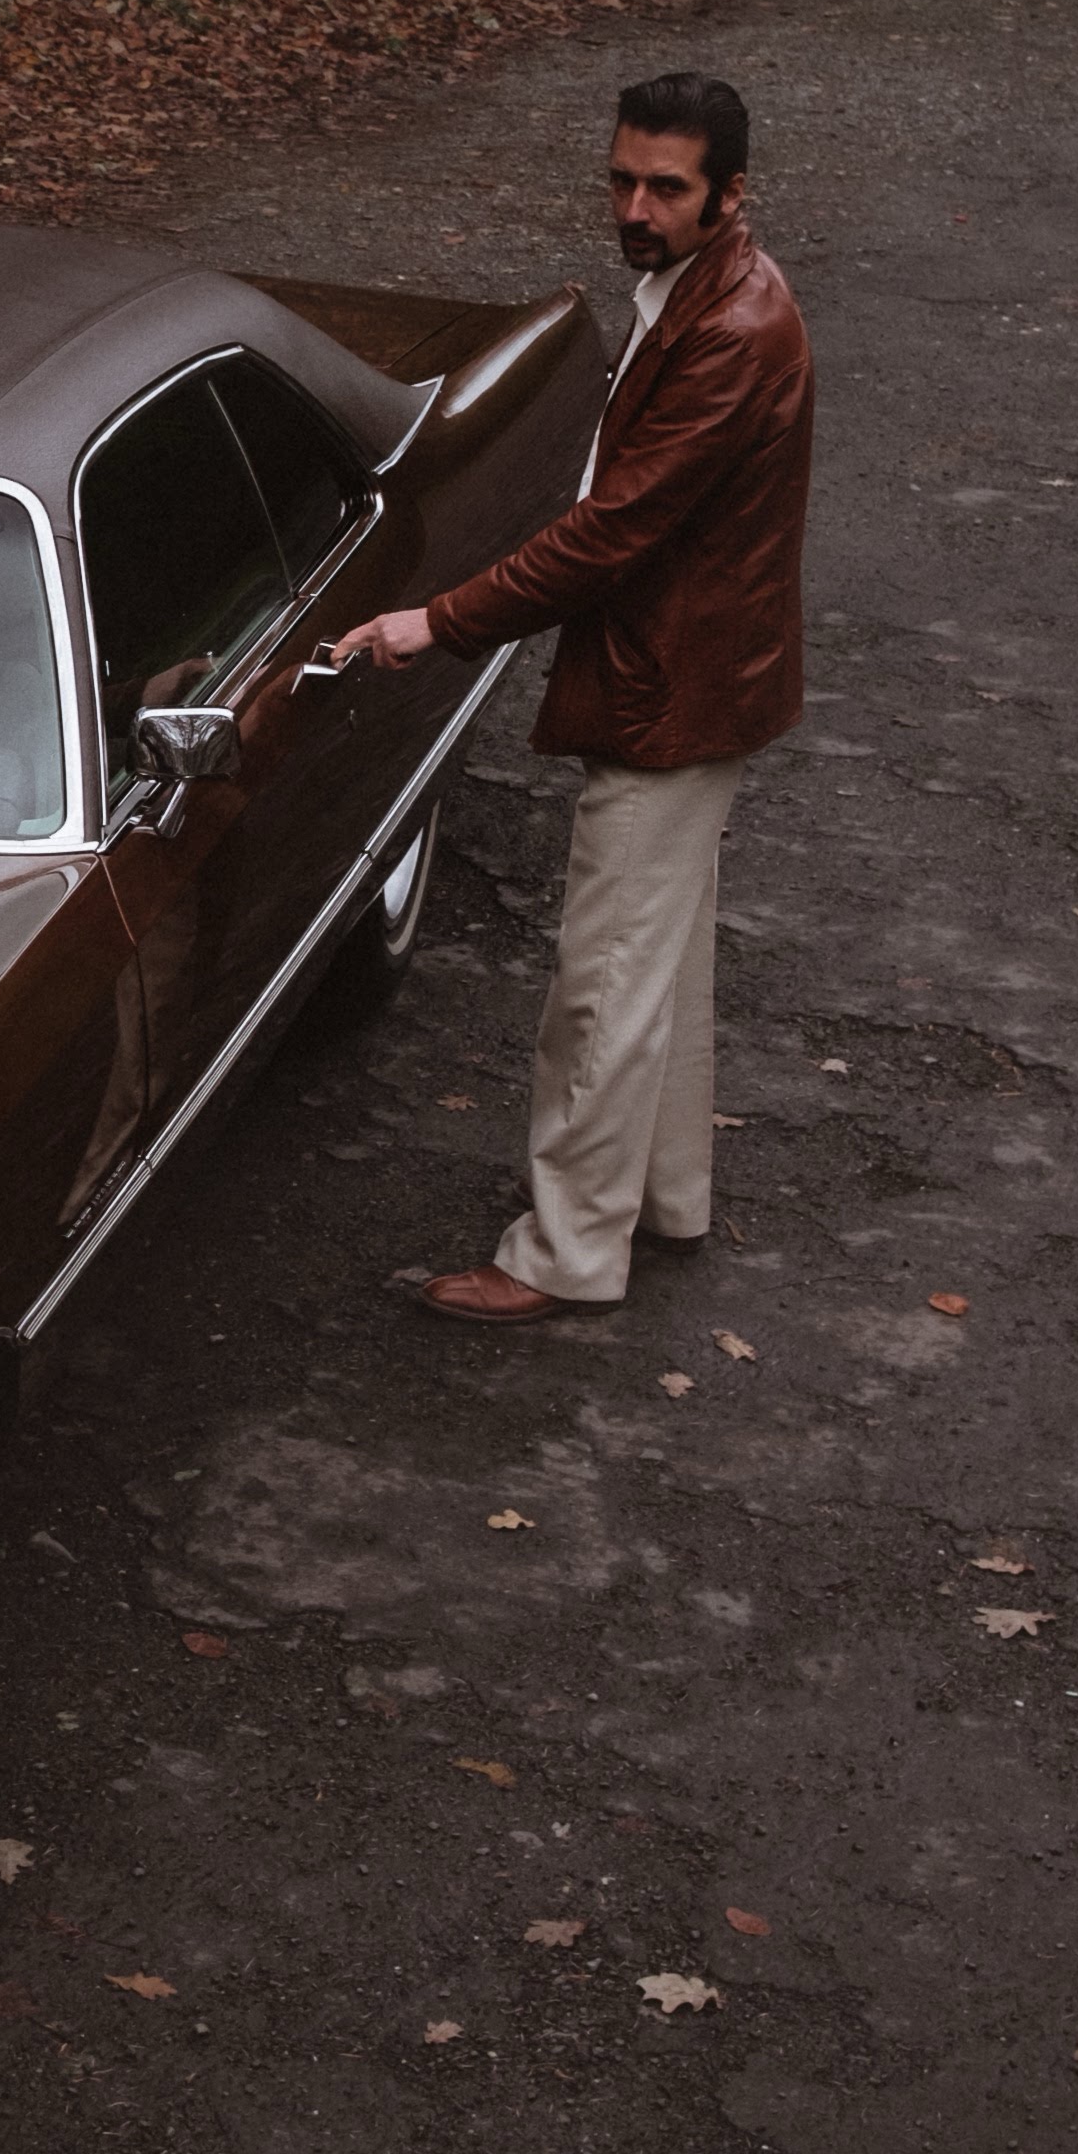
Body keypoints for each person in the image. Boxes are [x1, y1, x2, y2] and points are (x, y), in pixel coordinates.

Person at [330, 73, 813, 1321]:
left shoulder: (731, 330)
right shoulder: (707, 289)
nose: (635, 209)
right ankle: (660, 1198)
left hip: (672, 695)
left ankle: (564, 1256)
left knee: (601, 987)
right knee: (660, 963)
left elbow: (612, 534)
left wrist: (437, 620)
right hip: (698, 679)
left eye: (667, 188)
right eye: (622, 180)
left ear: (732, 194)